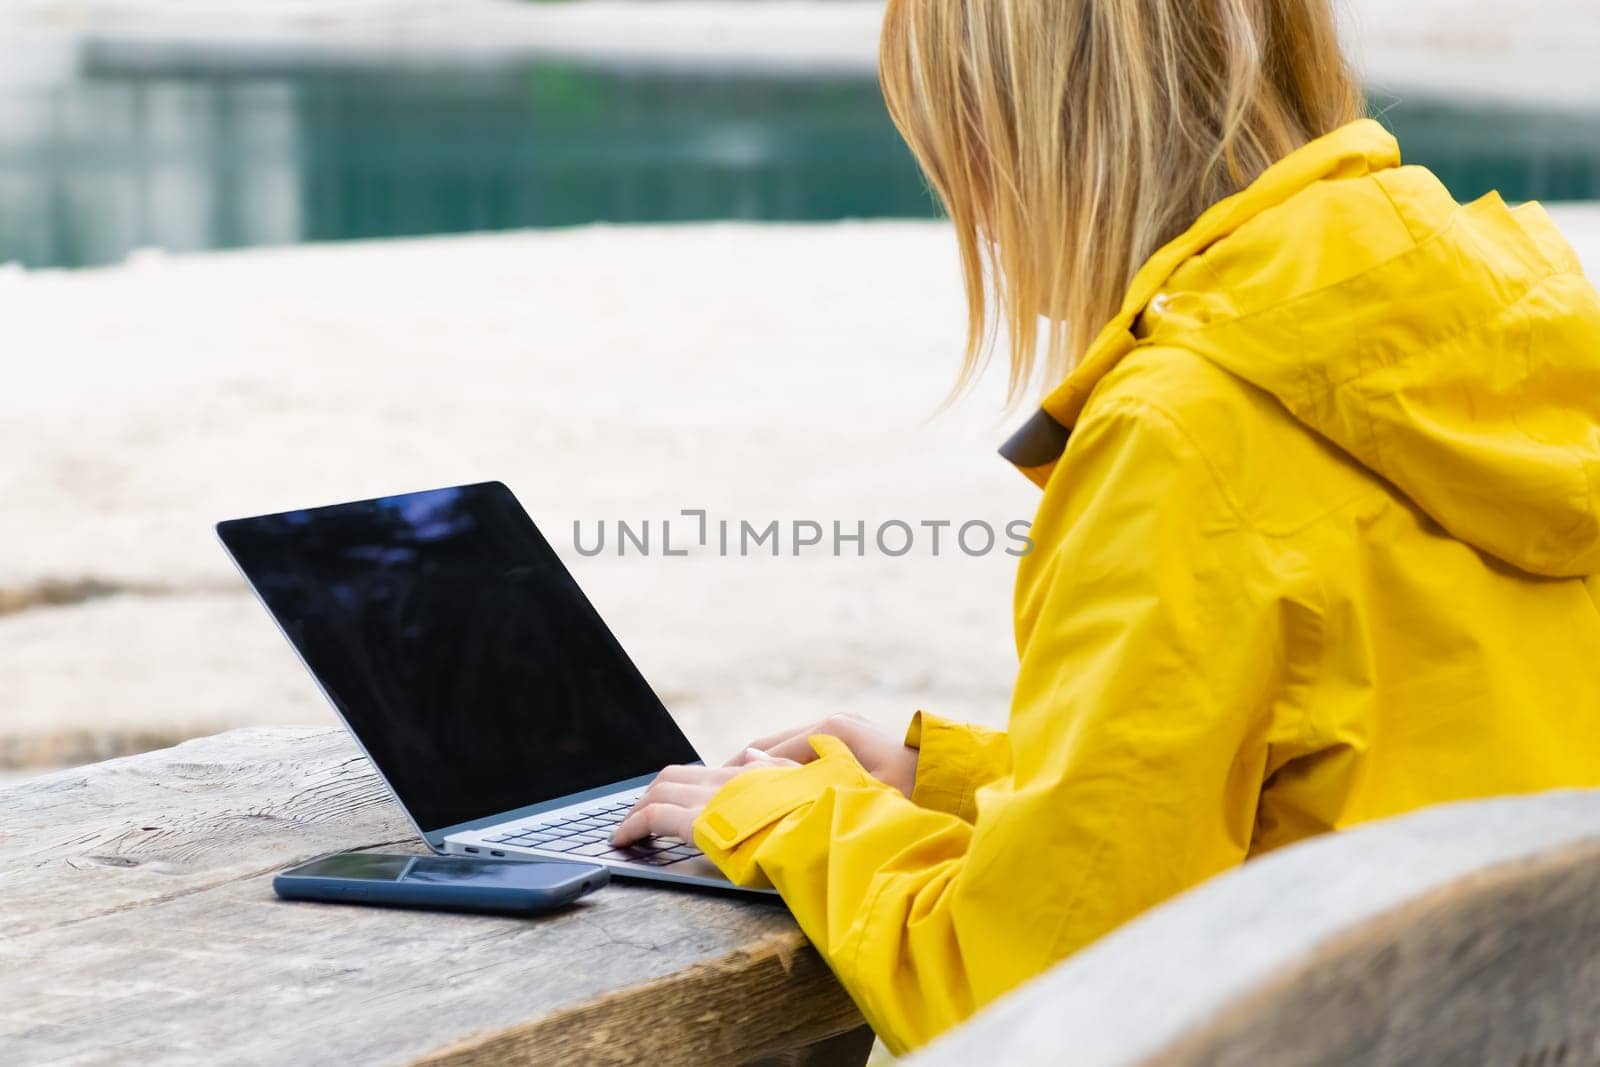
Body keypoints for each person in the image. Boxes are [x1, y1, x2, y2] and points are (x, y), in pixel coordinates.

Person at [613, 0, 1600, 1053]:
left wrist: (789, 816)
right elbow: (1336, 759)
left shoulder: (1184, 428)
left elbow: (1034, 1002)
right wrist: (940, 781)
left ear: (1008, 131)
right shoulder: (1501, 339)